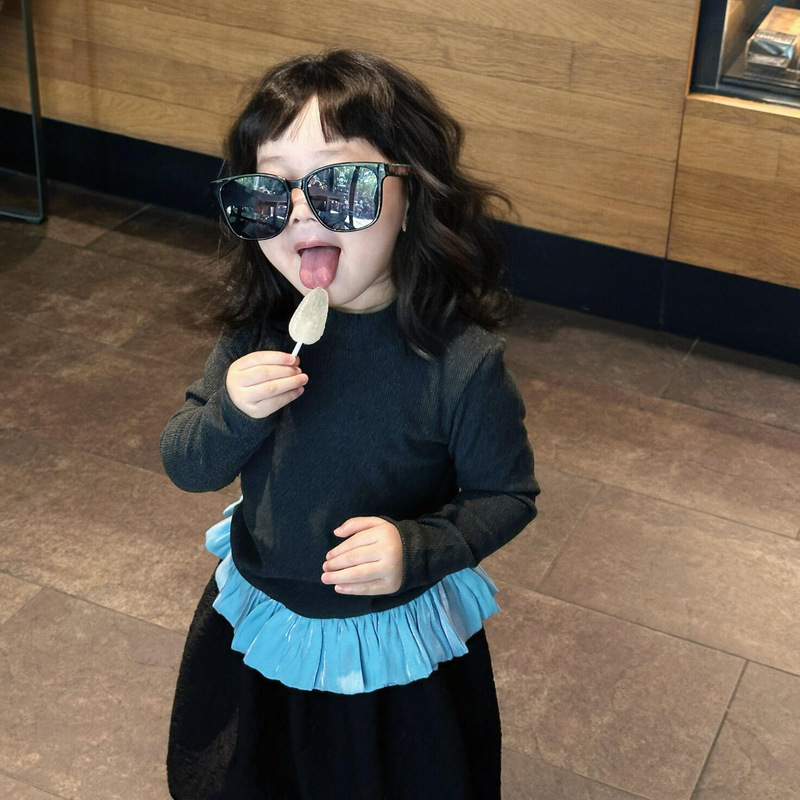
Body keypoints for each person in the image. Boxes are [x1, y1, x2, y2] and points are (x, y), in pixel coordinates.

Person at [160, 49, 540, 800]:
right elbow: (187, 463)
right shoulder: (257, 334)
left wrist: (421, 546)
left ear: (412, 195)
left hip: (392, 649)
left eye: (338, 185)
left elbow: (508, 494)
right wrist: (232, 411)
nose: (302, 212)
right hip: (265, 618)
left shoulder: (461, 366)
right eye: (271, 191)